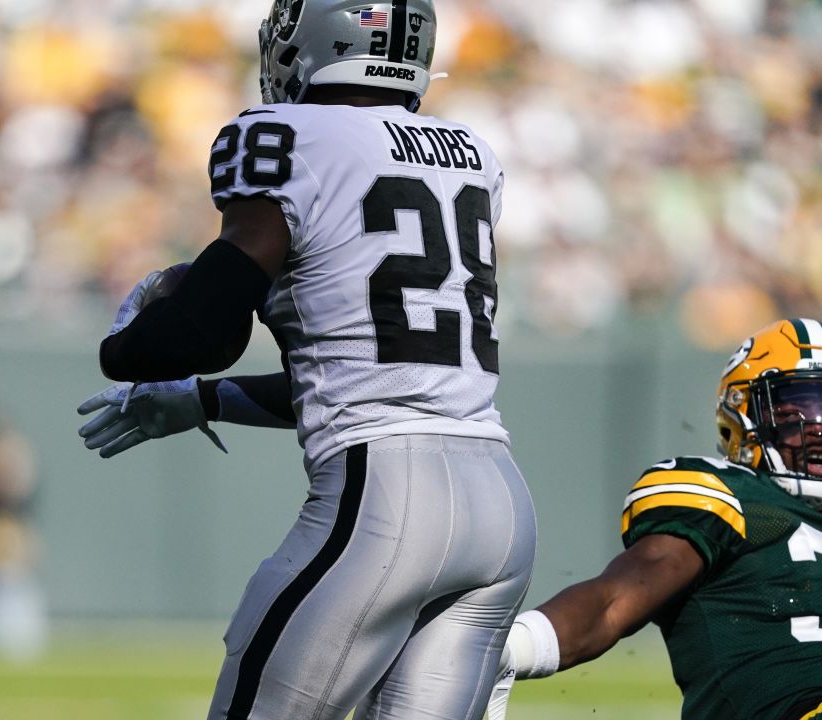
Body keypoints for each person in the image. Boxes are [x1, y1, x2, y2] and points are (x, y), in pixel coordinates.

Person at [76, 2, 537, 718]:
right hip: (500, 509)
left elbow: (198, 334)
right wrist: (204, 401)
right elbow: (372, 367)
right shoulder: (471, 153)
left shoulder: (282, 136)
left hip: (384, 498)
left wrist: (131, 341)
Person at [487, 318, 822, 720]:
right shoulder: (724, 493)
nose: (820, 430)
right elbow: (617, 597)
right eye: (796, 414)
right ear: (742, 418)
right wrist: (512, 647)